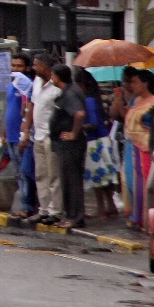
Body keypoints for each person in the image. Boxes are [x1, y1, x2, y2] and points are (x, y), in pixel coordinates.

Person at [76, 67, 119, 221]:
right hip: (102, 140)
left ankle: (102, 208)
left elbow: (93, 123)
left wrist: (77, 127)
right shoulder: (94, 99)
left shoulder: (88, 101)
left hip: (95, 142)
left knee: (98, 179)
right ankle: (110, 206)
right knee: (105, 178)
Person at [25, 53, 63, 224]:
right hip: (37, 135)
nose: (34, 68)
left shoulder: (57, 87)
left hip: (50, 135)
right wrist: (26, 129)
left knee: (54, 174)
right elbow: (32, 106)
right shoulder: (37, 82)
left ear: (46, 67)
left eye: (37, 65)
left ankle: (56, 210)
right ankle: (44, 209)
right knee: (41, 174)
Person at [49, 64, 89, 227]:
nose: (51, 78)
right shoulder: (67, 92)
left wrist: (73, 133)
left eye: (53, 76)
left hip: (70, 145)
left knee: (71, 181)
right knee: (68, 180)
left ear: (58, 77)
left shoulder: (70, 93)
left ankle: (74, 217)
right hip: (63, 145)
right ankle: (71, 215)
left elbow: (79, 113)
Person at [123, 68, 154, 230]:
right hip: (133, 146)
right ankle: (137, 216)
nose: (132, 85)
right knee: (131, 182)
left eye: (135, 82)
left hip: (146, 146)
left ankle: (147, 221)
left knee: (146, 183)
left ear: (145, 84)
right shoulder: (135, 100)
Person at [5, 52, 37, 218]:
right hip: (10, 136)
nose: (16, 69)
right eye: (14, 66)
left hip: (22, 137)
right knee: (18, 173)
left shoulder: (28, 86)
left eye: (19, 66)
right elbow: (8, 109)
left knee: (26, 172)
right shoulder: (12, 84)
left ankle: (28, 206)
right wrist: (4, 134)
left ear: (26, 68)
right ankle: (24, 204)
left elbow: (26, 111)